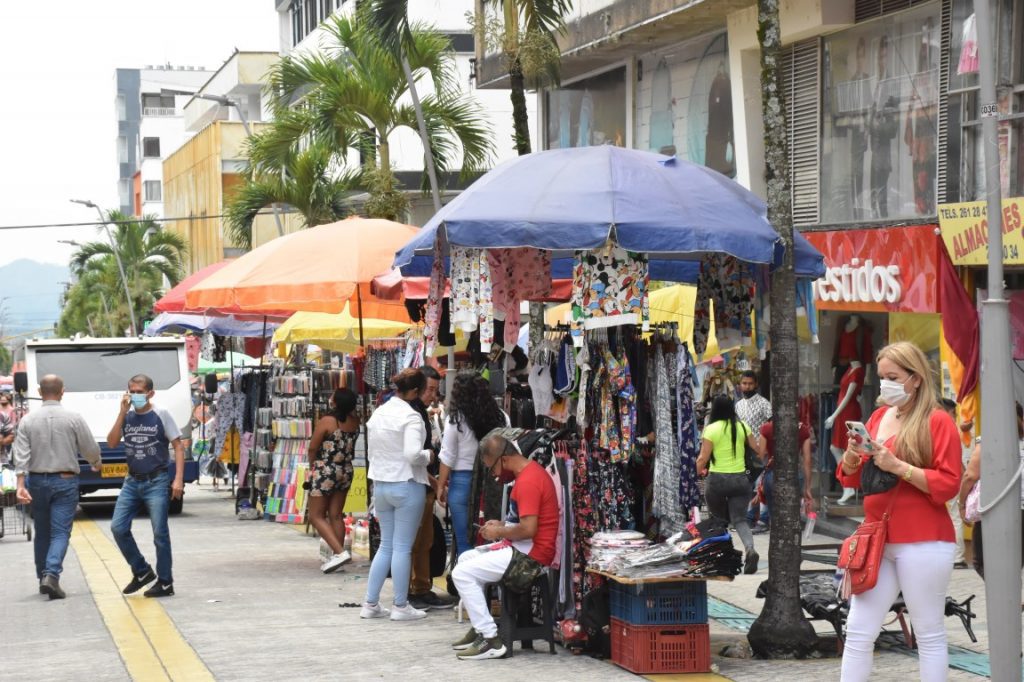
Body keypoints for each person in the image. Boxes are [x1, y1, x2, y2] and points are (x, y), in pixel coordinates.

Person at [837, 341, 961, 681]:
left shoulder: (938, 421)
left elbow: (949, 483)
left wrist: (898, 466)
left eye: (893, 376)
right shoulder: (879, 416)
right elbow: (849, 473)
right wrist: (851, 456)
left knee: (928, 632)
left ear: (916, 378)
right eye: (882, 377)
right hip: (879, 539)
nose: (885, 384)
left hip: (924, 541)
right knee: (859, 631)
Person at [450, 428, 559, 661]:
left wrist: (499, 531)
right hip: (525, 548)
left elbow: (529, 529)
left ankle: (491, 639)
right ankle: (482, 628)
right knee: (466, 559)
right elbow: (525, 522)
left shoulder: (528, 481)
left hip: (531, 556)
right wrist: (502, 524)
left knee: (461, 573)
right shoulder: (528, 475)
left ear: (505, 459)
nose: (494, 475)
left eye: (493, 468)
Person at [12, 375, 101, 599]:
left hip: (36, 481)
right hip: (65, 480)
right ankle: (51, 575)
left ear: (40, 392)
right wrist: (96, 463)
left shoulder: (27, 421)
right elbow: (89, 447)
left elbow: (21, 455)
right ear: (62, 392)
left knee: (42, 531)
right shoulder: (74, 418)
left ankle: (42, 575)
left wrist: (20, 484)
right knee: (60, 532)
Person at [361, 368, 433, 622]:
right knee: (402, 547)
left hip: (381, 484)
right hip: (407, 482)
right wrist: (429, 455)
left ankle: (370, 603)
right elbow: (413, 454)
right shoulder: (411, 417)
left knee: (386, 545)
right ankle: (400, 605)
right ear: (414, 391)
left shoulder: (378, 413)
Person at [106, 374, 185, 598]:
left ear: (150, 393)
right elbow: (112, 443)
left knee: (160, 533)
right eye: (132, 390)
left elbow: (178, 446)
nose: (135, 395)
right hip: (132, 481)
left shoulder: (161, 414)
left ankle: (165, 582)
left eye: (140, 391)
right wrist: (121, 413)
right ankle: (141, 570)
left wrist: (177, 479)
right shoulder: (128, 417)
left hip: (157, 480)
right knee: (118, 528)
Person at [438, 372, 508, 558]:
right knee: (493, 537)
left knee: (464, 539)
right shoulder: (501, 417)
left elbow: (447, 457)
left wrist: (440, 486)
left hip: (462, 481)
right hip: (494, 480)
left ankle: (467, 582)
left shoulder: (455, 420)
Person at [696, 395, 762, 575]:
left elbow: (703, 457)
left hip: (717, 481)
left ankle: (723, 558)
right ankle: (750, 549)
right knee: (740, 520)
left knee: (718, 520)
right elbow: (757, 449)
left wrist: (692, 475)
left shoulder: (711, 429)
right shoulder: (742, 426)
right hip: (741, 480)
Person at [958, 403, 1024, 579]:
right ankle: (1012, 599)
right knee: (1016, 558)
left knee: (982, 561)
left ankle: (1007, 602)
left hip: (995, 506)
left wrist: (962, 503)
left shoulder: (988, 440)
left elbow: (970, 476)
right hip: (1020, 506)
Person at [408, 366, 455, 610]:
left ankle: (420, 587)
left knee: (424, 540)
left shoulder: (419, 412)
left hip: (423, 483)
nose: (432, 395)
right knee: (414, 540)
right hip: (414, 484)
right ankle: (414, 590)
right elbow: (413, 456)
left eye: (436, 390)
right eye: (429, 389)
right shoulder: (411, 414)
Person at [307, 387, 359, 574]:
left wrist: (313, 466)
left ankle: (339, 552)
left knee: (315, 515)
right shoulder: (355, 421)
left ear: (336, 402)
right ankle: (337, 557)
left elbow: (313, 447)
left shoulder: (328, 421)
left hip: (326, 469)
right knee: (336, 514)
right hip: (346, 469)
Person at [746, 416, 814, 532]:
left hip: (773, 475)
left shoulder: (767, 428)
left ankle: (777, 534)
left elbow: (761, 456)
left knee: (774, 514)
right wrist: (807, 487)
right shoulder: (802, 429)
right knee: (792, 514)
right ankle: (791, 537)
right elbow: (807, 460)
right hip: (795, 474)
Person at [735, 370, 772, 528]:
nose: (747, 386)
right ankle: (749, 518)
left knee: (761, 485)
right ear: (740, 385)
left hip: (761, 451)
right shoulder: (738, 405)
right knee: (747, 486)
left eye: (750, 383)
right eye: (744, 383)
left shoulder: (764, 403)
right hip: (744, 453)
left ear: (756, 384)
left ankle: (763, 519)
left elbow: (771, 427)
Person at [939, 398, 968, 568]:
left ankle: (956, 557)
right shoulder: (950, 428)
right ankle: (957, 557)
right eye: (953, 412)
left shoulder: (943, 428)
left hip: (946, 478)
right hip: (952, 477)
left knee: (953, 517)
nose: (955, 416)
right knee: (955, 517)